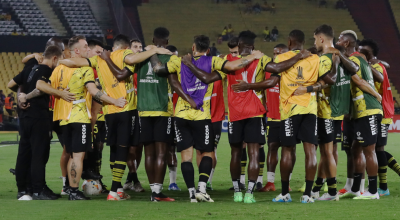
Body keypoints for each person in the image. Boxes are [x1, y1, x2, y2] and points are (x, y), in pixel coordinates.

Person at [179, 31, 311, 203]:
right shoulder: (261, 60)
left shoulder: (229, 63)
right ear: (253, 46)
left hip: (234, 114)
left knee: (235, 152)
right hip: (255, 113)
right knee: (254, 153)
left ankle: (237, 192)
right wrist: (299, 56)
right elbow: (276, 73)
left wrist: (189, 65)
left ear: (238, 46)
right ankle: (249, 193)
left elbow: (207, 78)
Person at [150, 34, 266, 203]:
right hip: (202, 115)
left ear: (193, 47)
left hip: (181, 114)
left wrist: (152, 52)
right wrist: (252, 56)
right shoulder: (212, 61)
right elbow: (233, 65)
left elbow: (158, 69)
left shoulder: (178, 61)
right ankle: (202, 188)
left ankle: (191, 193)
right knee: (208, 153)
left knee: (186, 156)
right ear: (208, 49)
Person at [59, 34, 173, 201]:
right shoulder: (123, 54)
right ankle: (114, 192)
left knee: (114, 148)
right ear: (125, 47)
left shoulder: (98, 59)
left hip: (109, 111)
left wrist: (58, 61)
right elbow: (133, 60)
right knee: (123, 149)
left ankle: (118, 188)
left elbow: (73, 62)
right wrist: (154, 49)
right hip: (125, 107)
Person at [232, 30, 319, 203]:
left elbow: (273, 77)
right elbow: (327, 79)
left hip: (289, 110)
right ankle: (307, 195)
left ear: (289, 42)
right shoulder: (315, 59)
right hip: (310, 109)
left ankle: (285, 193)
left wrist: (248, 85)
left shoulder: (281, 59)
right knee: (311, 152)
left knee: (287, 149)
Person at [49, 36, 126, 200]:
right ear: (76, 50)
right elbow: (93, 91)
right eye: (85, 47)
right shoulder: (85, 69)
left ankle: (70, 188)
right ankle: (75, 191)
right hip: (79, 116)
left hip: (64, 118)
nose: (87, 50)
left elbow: (48, 87)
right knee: (78, 156)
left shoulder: (59, 68)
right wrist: (114, 101)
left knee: (71, 154)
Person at [10, 46, 71, 200]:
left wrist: (21, 97)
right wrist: (61, 93)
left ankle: (23, 189)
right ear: (55, 58)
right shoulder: (46, 70)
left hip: (25, 117)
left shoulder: (30, 68)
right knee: (39, 153)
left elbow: (11, 84)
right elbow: (40, 87)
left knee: (24, 152)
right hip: (39, 116)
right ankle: (39, 189)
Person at [334, 30, 383, 200]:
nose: (338, 41)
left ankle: (373, 191)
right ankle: (355, 188)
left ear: (346, 43)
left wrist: (376, 95)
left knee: (369, 151)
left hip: (367, 108)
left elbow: (359, 81)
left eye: (340, 39)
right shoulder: (361, 58)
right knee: (356, 148)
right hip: (362, 110)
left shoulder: (352, 61)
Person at [358, 39, 394, 196]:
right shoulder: (376, 65)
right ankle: (385, 184)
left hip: (381, 111)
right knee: (376, 149)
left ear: (369, 54)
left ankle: (383, 187)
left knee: (377, 149)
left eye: (362, 51)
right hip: (381, 110)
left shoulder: (375, 67)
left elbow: (379, 77)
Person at [258, 44, 291, 192]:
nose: (276, 56)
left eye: (279, 53)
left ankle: (287, 182)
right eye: (274, 53)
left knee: (289, 150)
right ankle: (270, 182)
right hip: (272, 117)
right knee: (272, 148)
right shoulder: (267, 71)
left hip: (288, 116)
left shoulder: (291, 71)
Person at [123, 38, 145, 193]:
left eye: (140, 47)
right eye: (135, 47)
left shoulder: (144, 67)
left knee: (139, 147)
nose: (138, 49)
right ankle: (134, 178)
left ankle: (131, 178)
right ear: (128, 49)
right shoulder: (127, 67)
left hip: (143, 111)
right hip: (129, 111)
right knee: (130, 147)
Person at [165, 44, 181, 191]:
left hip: (179, 115)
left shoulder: (183, 73)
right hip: (164, 115)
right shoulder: (163, 74)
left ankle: (173, 182)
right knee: (166, 149)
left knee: (174, 149)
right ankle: (170, 183)